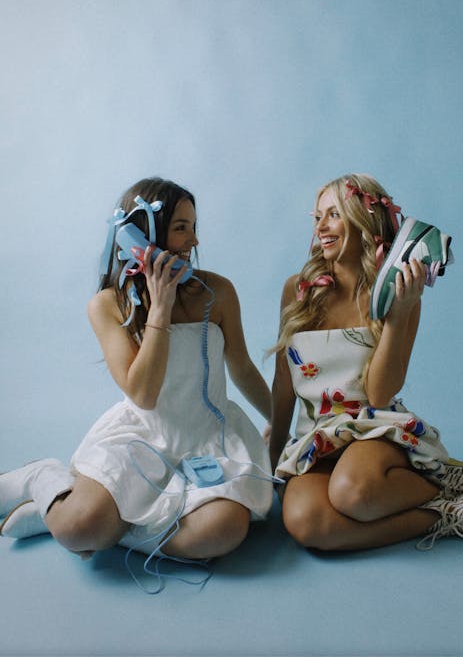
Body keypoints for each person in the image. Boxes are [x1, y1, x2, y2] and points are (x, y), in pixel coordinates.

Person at [0, 177, 273, 564]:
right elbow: (142, 393)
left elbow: (242, 367)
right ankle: (43, 480)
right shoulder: (107, 305)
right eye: (181, 229)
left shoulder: (219, 293)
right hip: (143, 439)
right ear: (142, 236)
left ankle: (111, 532)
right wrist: (160, 308)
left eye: (194, 228)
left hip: (211, 438)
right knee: (78, 528)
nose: (194, 242)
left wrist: (284, 424)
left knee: (224, 530)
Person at [269, 173, 463, 551]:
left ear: (364, 220)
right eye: (317, 217)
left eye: (333, 215)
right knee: (306, 524)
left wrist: (398, 315)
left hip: (374, 429)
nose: (321, 227)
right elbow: (283, 382)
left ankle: (446, 481)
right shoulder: (298, 291)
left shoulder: (399, 292)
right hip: (316, 438)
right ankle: (446, 513)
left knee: (353, 493)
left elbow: (379, 394)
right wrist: (272, 457)